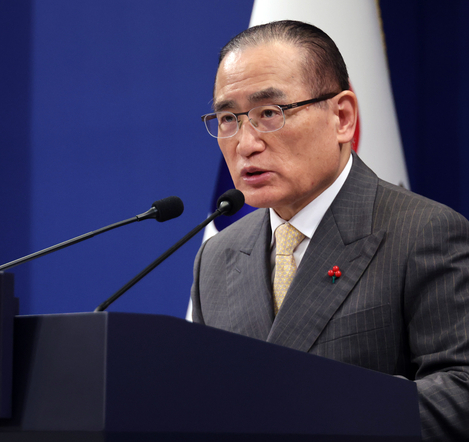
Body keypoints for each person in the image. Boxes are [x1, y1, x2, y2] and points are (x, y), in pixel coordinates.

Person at [190, 20, 469, 441]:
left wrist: (327, 415)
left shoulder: (423, 233)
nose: (245, 144)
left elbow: (460, 392)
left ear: (342, 117)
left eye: (269, 113)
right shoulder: (216, 257)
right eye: (228, 118)